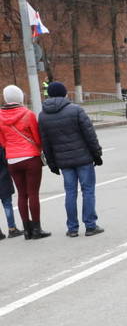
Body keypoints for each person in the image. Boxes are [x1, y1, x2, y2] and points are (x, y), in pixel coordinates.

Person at [38, 81, 105, 237]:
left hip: (63, 162)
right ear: (65, 93)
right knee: (88, 191)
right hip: (83, 158)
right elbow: (89, 134)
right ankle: (90, 225)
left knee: (70, 193)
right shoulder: (75, 110)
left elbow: (45, 143)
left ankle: (72, 228)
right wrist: (97, 153)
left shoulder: (43, 115)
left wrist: (52, 163)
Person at [0, 85, 51, 239]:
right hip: (30, 158)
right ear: (20, 97)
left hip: (12, 159)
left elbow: (2, 142)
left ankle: (26, 230)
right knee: (33, 194)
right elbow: (37, 138)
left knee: (22, 195)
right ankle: (37, 229)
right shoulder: (28, 114)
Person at [0, 145, 23, 239]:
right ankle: (12, 229)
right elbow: (5, 161)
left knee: (7, 204)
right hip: (3, 178)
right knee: (7, 204)